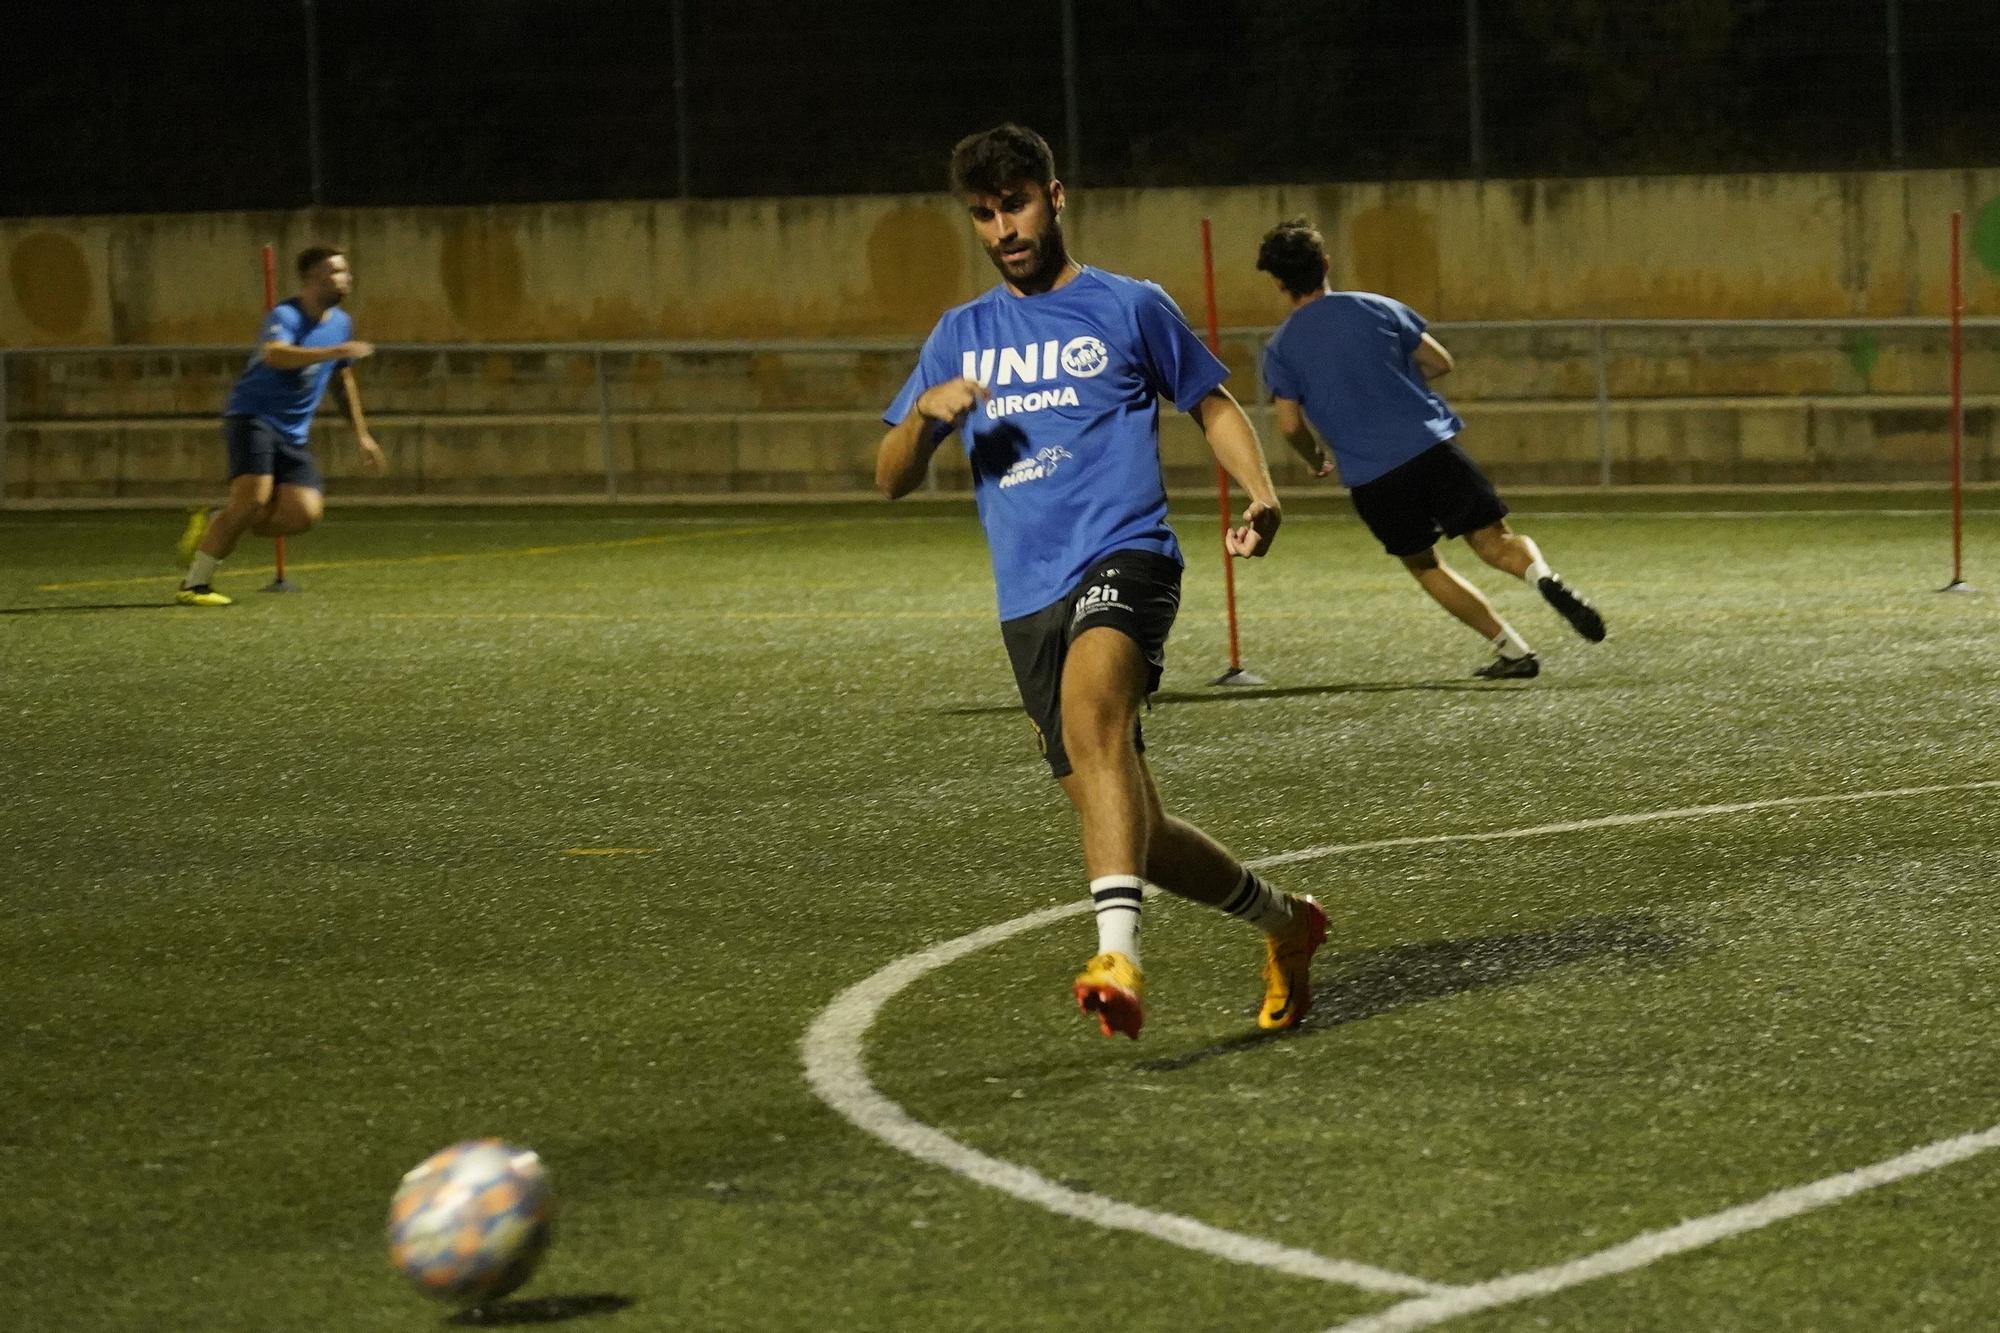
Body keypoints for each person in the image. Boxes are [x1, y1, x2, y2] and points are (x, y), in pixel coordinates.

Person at [877, 125, 1326, 1041]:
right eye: (984, 213)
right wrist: (926, 416)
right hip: (1026, 600)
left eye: (1017, 203)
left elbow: (1209, 401)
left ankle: (1116, 954)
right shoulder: (958, 335)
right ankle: (1289, 922)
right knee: (1139, 832)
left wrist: (1263, 490)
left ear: (1057, 194)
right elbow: (889, 475)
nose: (1003, 226)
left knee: (1094, 717)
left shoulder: (1129, 305)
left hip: (1127, 556)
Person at [1254, 218, 1606, 678]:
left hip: (1372, 476)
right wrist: (1396, 381)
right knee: (1495, 540)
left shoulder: (1281, 349)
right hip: (1431, 448)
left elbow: (1288, 425)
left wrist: (1316, 458)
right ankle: (1544, 577)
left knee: (1425, 565)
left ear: (1279, 282)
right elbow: (1440, 362)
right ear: (1325, 264)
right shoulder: (1376, 307)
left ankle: (1513, 650)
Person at [175, 245, 384, 605]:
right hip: (253, 416)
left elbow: (342, 381)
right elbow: (275, 355)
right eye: (336, 271)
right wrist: (334, 352)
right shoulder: (286, 314)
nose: (346, 278)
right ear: (312, 279)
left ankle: (217, 520)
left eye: (346, 271)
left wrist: (361, 435)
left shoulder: (340, 323)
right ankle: (194, 585)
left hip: (293, 432)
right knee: (252, 498)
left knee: (303, 514)